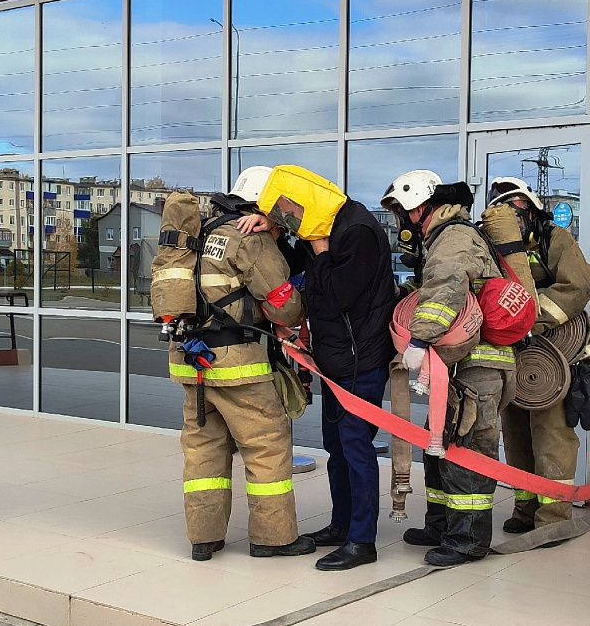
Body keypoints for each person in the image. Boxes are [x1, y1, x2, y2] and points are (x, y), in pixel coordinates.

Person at [243, 166, 397, 571]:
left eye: (287, 210)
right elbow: (297, 267)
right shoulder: (322, 229)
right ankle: (342, 525)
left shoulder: (357, 229)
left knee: (356, 448)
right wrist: (273, 231)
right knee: (337, 449)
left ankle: (362, 541)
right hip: (337, 362)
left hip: (360, 361)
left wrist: (322, 249)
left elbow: (342, 293)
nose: (287, 218)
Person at [171, 168, 315, 563]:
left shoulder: (195, 233)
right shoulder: (248, 236)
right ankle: (274, 538)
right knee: (266, 449)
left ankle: (204, 538)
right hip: (241, 367)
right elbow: (283, 305)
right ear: (261, 202)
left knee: (204, 452)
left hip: (194, 364)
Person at [382, 170, 514, 566]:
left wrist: (419, 340)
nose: (399, 222)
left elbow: (445, 291)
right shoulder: (441, 237)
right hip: (459, 363)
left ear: (420, 206)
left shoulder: (454, 238)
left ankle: (468, 540)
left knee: (468, 448)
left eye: (401, 213)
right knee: (438, 444)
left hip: (477, 365)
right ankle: (441, 525)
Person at [485, 177, 590, 535]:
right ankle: (524, 509)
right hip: (511, 354)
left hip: (553, 354)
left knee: (552, 436)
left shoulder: (556, 240)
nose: (513, 219)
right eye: (503, 211)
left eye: (517, 210)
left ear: (532, 213)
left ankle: (553, 519)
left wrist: (533, 319)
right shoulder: (492, 249)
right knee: (515, 433)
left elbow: (578, 285)